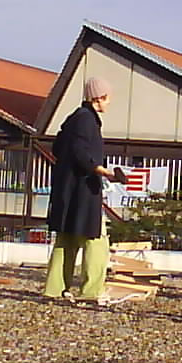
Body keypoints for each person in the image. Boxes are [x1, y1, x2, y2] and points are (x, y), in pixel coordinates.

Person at [43, 76, 129, 305]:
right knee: (96, 240)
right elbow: (81, 153)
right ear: (99, 98)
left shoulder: (74, 118)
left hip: (66, 190)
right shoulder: (87, 121)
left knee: (66, 238)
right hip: (84, 191)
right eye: (108, 98)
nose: (109, 102)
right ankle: (91, 291)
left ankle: (54, 288)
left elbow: (59, 148)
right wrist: (103, 171)